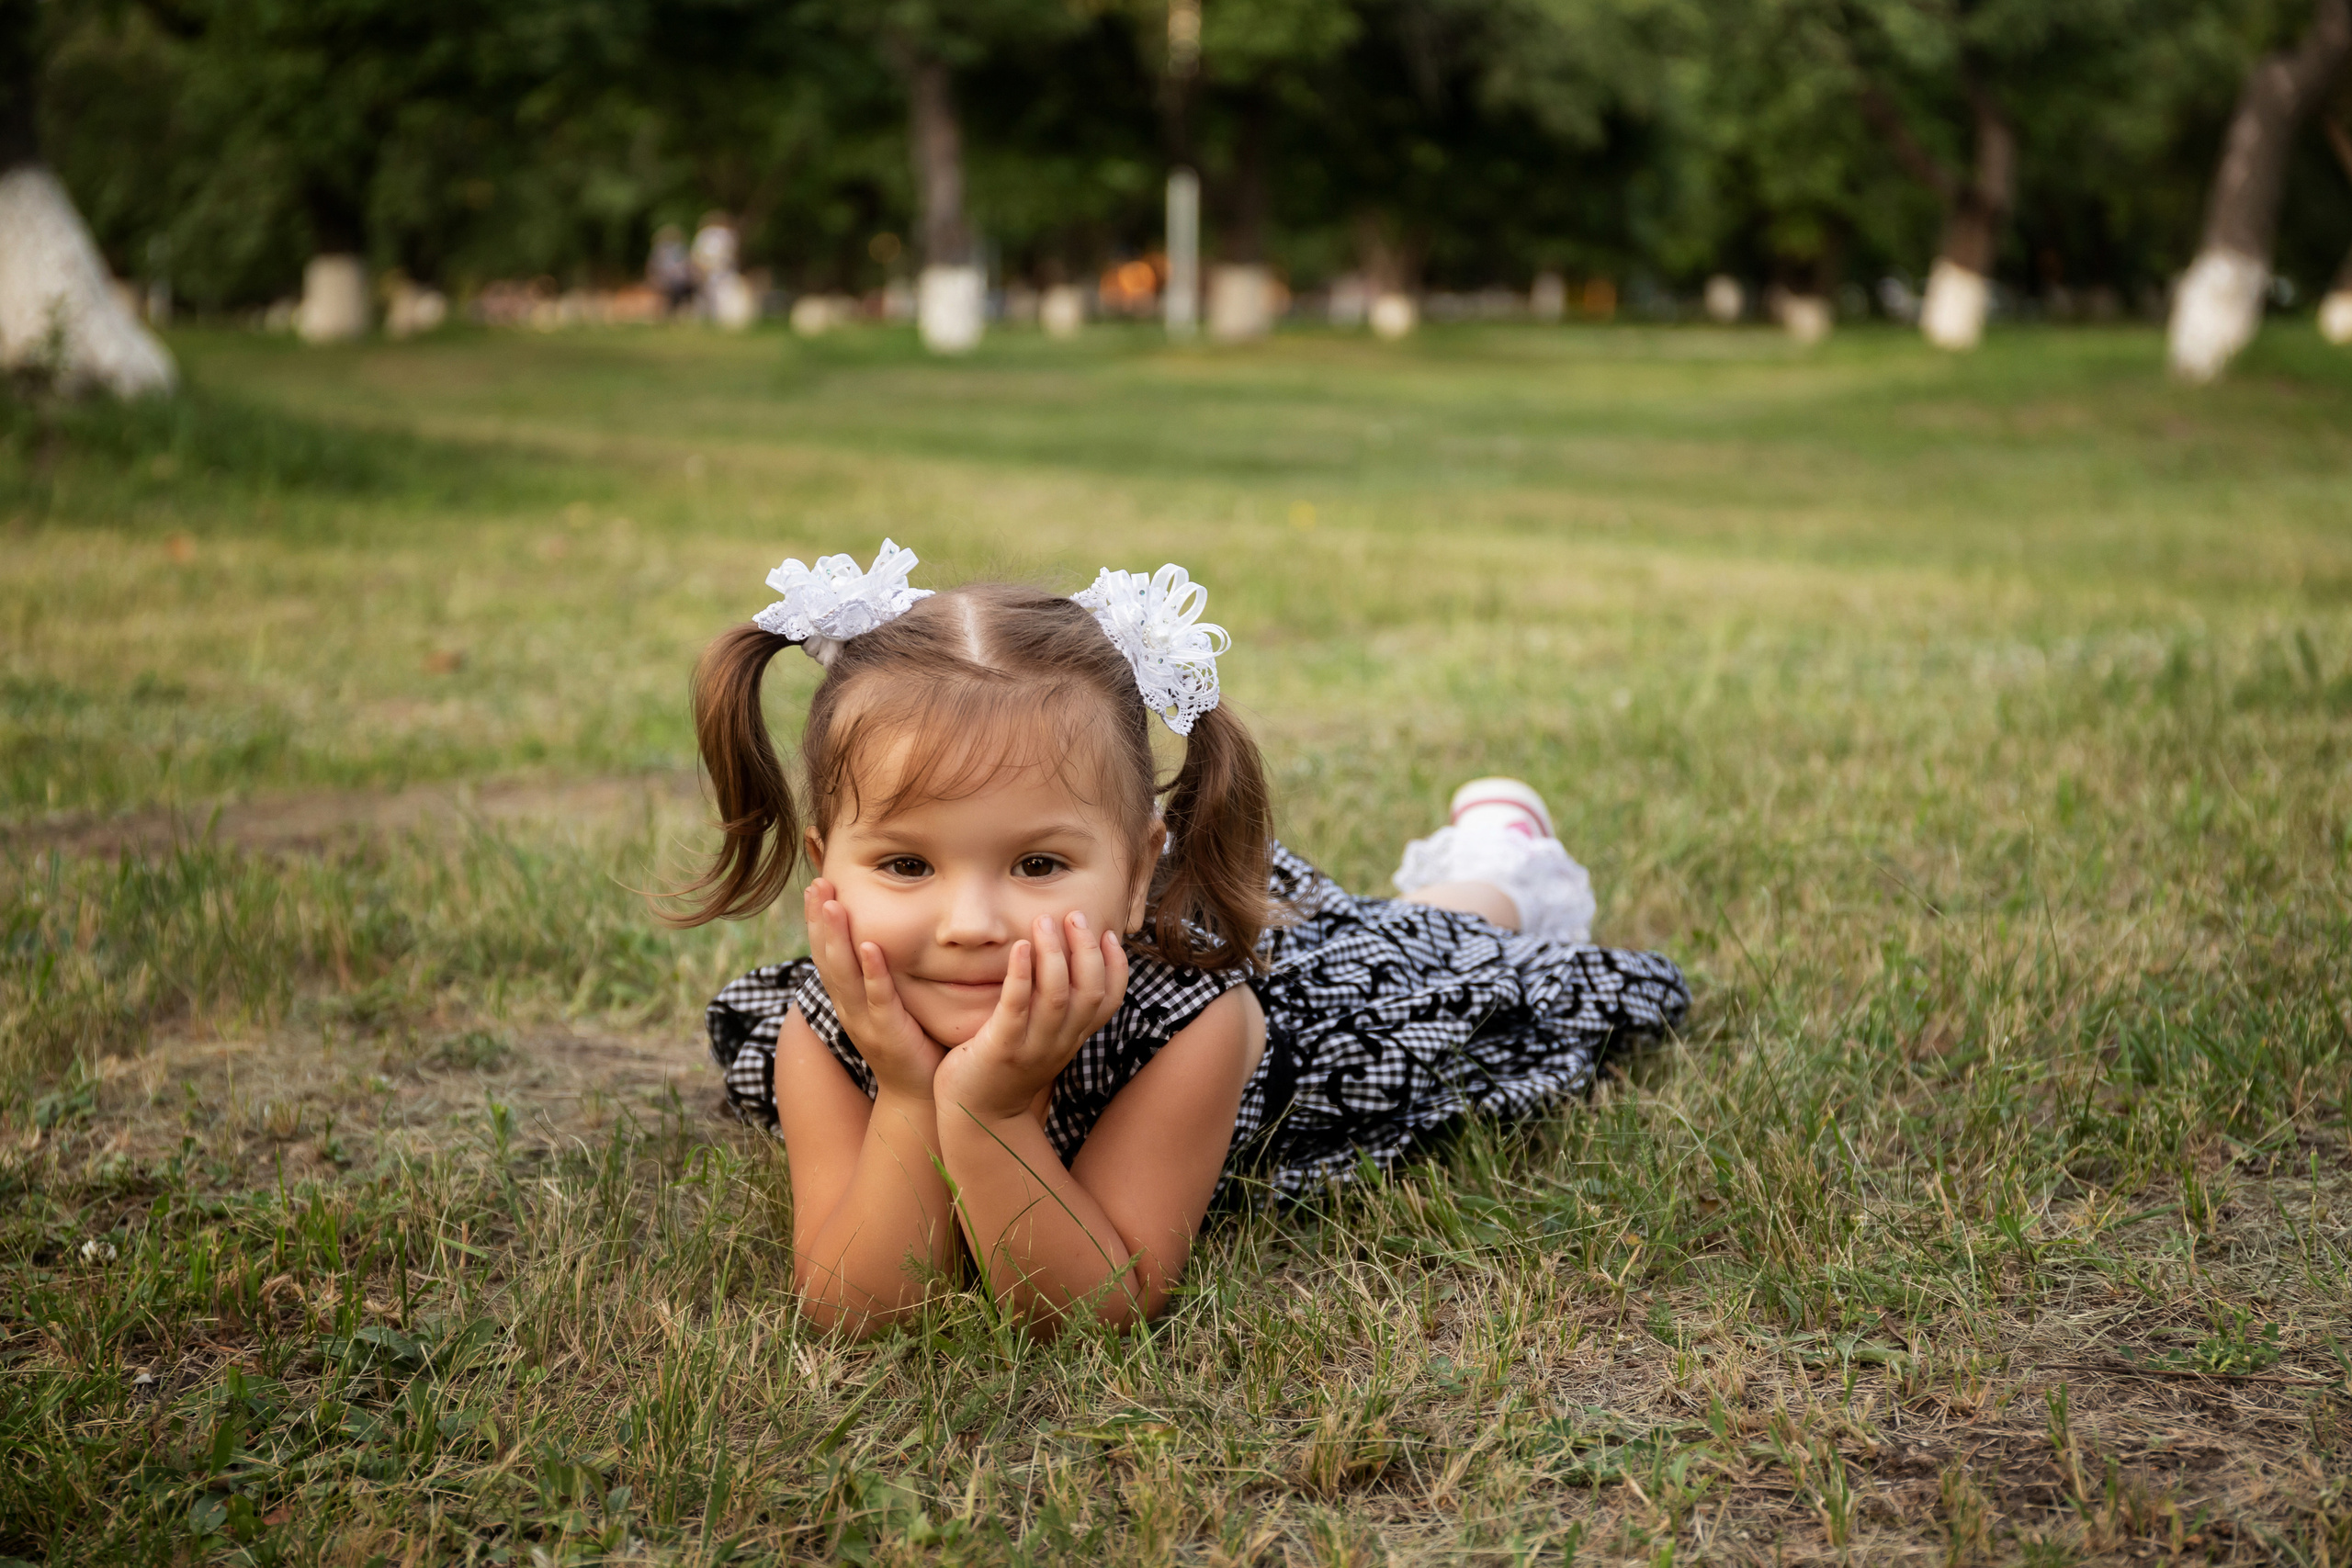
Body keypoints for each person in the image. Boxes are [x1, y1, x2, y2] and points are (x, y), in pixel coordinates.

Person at [680, 543, 1688, 1336]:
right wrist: (908, 1092)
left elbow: (1092, 1306)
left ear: (1137, 869)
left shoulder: (1193, 1023)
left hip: (1293, 991)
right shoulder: (824, 1033)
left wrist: (989, 1109)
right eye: (906, 865)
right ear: (828, 871)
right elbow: (861, 1309)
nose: (971, 924)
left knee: (1430, 936)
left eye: (1038, 864)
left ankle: (1500, 858)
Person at [647, 224, 695, 317]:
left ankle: (677, 311)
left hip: (680, 281)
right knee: (672, 288)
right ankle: (670, 312)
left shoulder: (680, 249)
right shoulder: (659, 251)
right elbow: (653, 268)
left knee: (681, 288)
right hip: (666, 280)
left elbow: (687, 266)